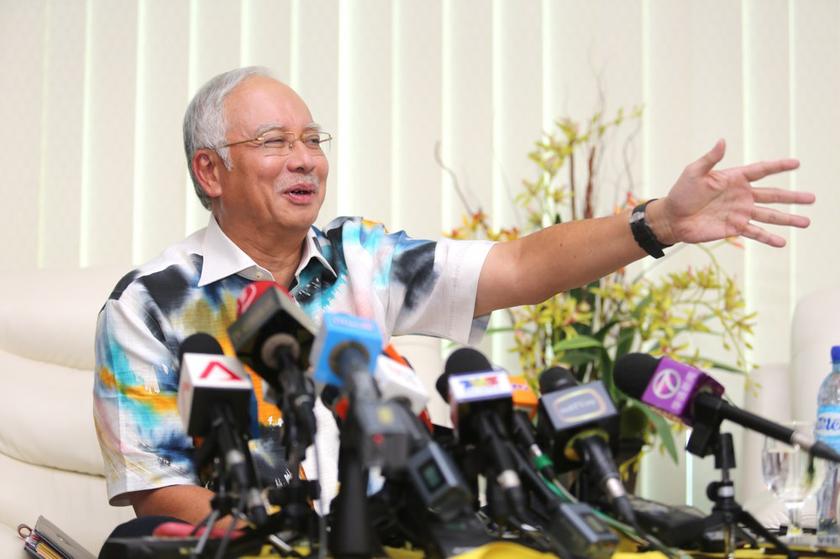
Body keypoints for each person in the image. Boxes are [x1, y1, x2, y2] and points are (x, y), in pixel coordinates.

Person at [93, 66, 814, 532]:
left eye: (313, 138)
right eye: (275, 141)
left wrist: (659, 223)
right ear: (210, 171)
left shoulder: (360, 257)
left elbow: (521, 265)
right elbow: (159, 493)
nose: (307, 158)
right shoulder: (149, 305)